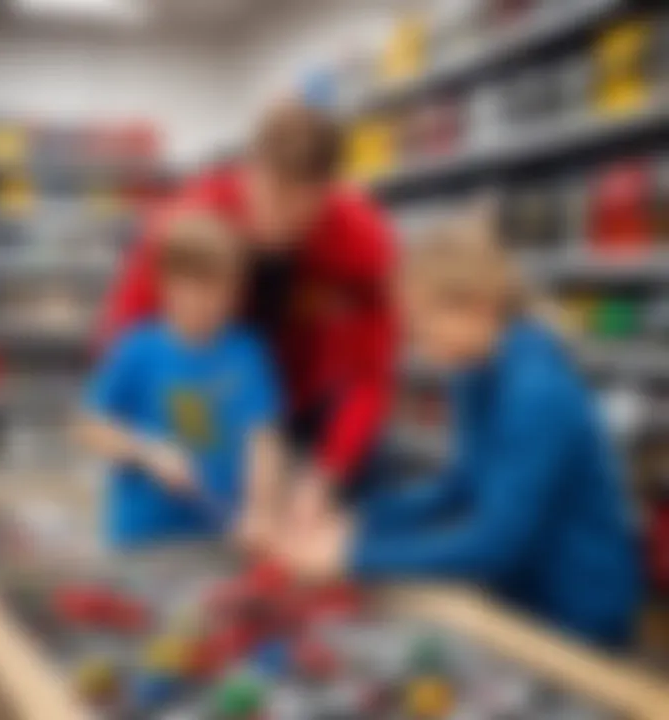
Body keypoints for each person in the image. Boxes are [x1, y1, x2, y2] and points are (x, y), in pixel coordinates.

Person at [280, 218, 642, 649]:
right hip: (523, 594)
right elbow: (458, 488)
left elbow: (493, 543)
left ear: (477, 307)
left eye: (424, 328)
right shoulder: (472, 371)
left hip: (580, 608)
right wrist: (360, 521)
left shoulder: (537, 393)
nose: (418, 346)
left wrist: (353, 556)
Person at [98, 102, 396, 529]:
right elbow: (127, 333)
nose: (277, 227)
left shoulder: (362, 242)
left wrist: (328, 473)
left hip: (300, 392)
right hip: (205, 388)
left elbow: (370, 375)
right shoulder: (189, 220)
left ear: (328, 192)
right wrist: (145, 442)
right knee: (203, 512)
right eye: (270, 201)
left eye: (298, 214)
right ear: (248, 171)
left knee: (332, 509)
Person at [76, 213, 283, 550]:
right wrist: (148, 452)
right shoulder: (138, 349)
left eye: (221, 291)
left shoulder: (248, 352)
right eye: (196, 289)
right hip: (143, 538)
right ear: (167, 284)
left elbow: (262, 438)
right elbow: (90, 427)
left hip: (218, 536)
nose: (209, 304)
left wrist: (260, 510)